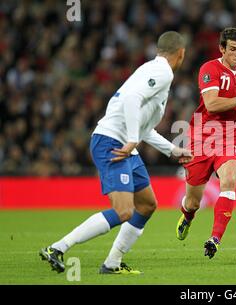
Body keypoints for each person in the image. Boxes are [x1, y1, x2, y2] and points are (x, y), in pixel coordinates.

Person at [39, 31, 193, 274]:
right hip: (112, 142)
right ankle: (57, 247)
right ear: (181, 54)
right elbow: (131, 99)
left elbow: (145, 128)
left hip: (123, 146)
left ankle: (112, 263)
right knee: (124, 211)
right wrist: (132, 140)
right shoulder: (162, 72)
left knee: (147, 204)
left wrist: (172, 150)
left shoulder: (151, 70)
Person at [175, 27, 236, 258]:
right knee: (193, 201)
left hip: (231, 136)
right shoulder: (209, 69)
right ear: (222, 49)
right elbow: (212, 104)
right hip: (202, 138)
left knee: (229, 180)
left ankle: (215, 239)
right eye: (233, 49)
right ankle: (187, 215)